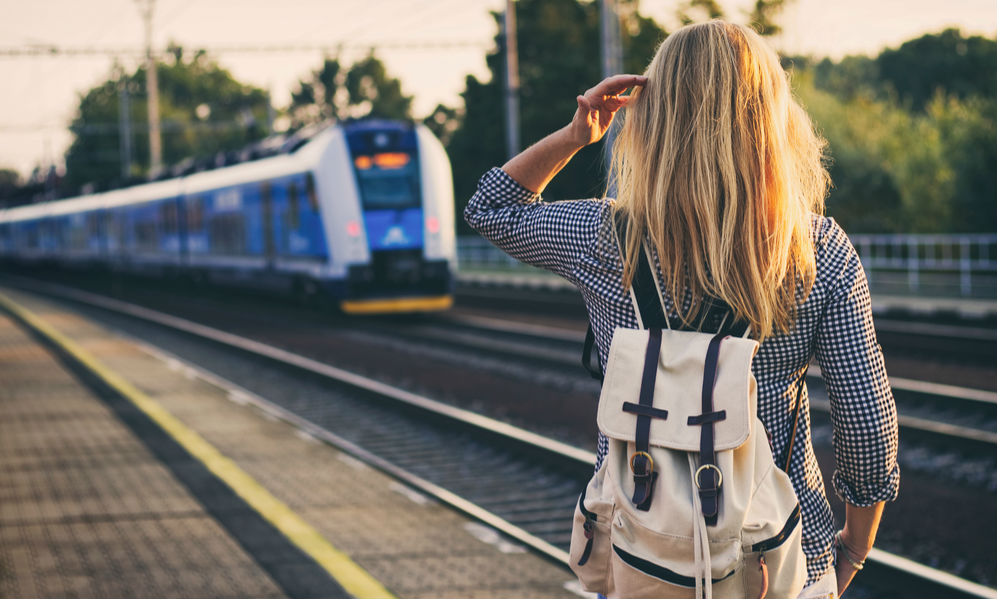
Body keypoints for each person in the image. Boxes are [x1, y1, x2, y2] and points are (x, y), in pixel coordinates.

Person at [464, 20, 899, 598]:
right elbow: (867, 429)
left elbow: (491, 208)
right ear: (771, 118)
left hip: (640, 554)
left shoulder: (603, 236)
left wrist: (578, 134)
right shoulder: (815, 250)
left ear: (654, 119)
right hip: (777, 560)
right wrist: (851, 549)